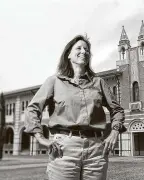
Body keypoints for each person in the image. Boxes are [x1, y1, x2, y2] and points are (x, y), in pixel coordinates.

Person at [24, 34, 126, 180]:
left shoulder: (99, 83)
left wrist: (114, 132)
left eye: (86, 49)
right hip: (63, 149)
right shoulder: (54, 81)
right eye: (79, 48)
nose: (84, 51)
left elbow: (117, 110)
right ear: (68, 55)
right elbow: (33, 109)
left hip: (96, 150)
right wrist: (41, 138)